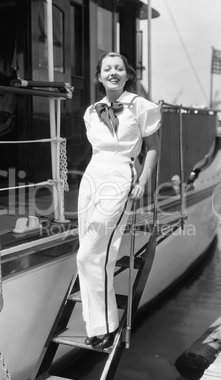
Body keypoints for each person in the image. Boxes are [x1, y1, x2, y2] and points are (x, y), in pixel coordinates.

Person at [77, 52, 161, 349]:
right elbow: (96, 150)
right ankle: (99, 324)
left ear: (127, 75)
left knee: (87, 254)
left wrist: (142, 181)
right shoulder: (91, 111)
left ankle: (106, 325)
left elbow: (151, 148)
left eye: (119, 68)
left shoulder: (142, 107)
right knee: (97, 253)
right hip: (92, 176)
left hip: (120, 174)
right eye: (107, 68)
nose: (113, 72)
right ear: (99, 76)